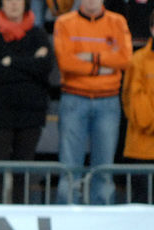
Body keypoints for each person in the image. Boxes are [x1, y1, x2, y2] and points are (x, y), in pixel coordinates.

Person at [53, 0, 132, 204]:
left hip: (108, 101)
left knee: (104, 169)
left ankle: (103, 219)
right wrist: (102, 65)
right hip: (73, 98)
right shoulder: (64, 22)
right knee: (69, 168)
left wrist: (90, 57)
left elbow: (124, 59)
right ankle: (67, 217)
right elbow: (66, 62)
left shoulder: (118, 21)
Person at [0, 0, 53, 204]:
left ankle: (22, 214)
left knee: (24, 169)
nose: (13, 4)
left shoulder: (38, 33)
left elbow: (45, 67)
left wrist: (11, 62)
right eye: (8, 0)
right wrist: (30, 63)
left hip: (31, 113)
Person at [121, 11, 154, 203]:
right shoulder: (138, 60)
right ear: (151, 29)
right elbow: (131, 100)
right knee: (141, 211)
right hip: (141, 148)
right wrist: (147, 122)